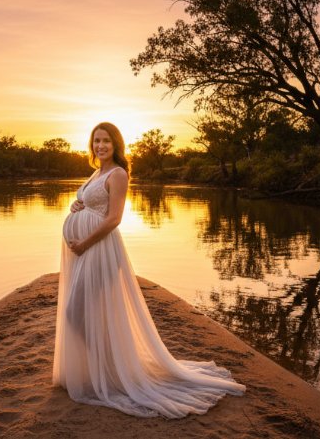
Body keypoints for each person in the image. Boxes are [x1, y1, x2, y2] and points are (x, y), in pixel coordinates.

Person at [53, 122, 245, 418]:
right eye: (96, 141)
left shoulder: (118, 174)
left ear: (116, 145)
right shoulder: (97, 173)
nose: (100, 146)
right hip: (85, 252)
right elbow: (89, 204)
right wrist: (75, 208)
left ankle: (110, 368)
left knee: (75, 311)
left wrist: (85, 243)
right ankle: (105, 366)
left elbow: (114, 218)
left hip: (99, 250)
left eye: (106, 141)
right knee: (83, 311)